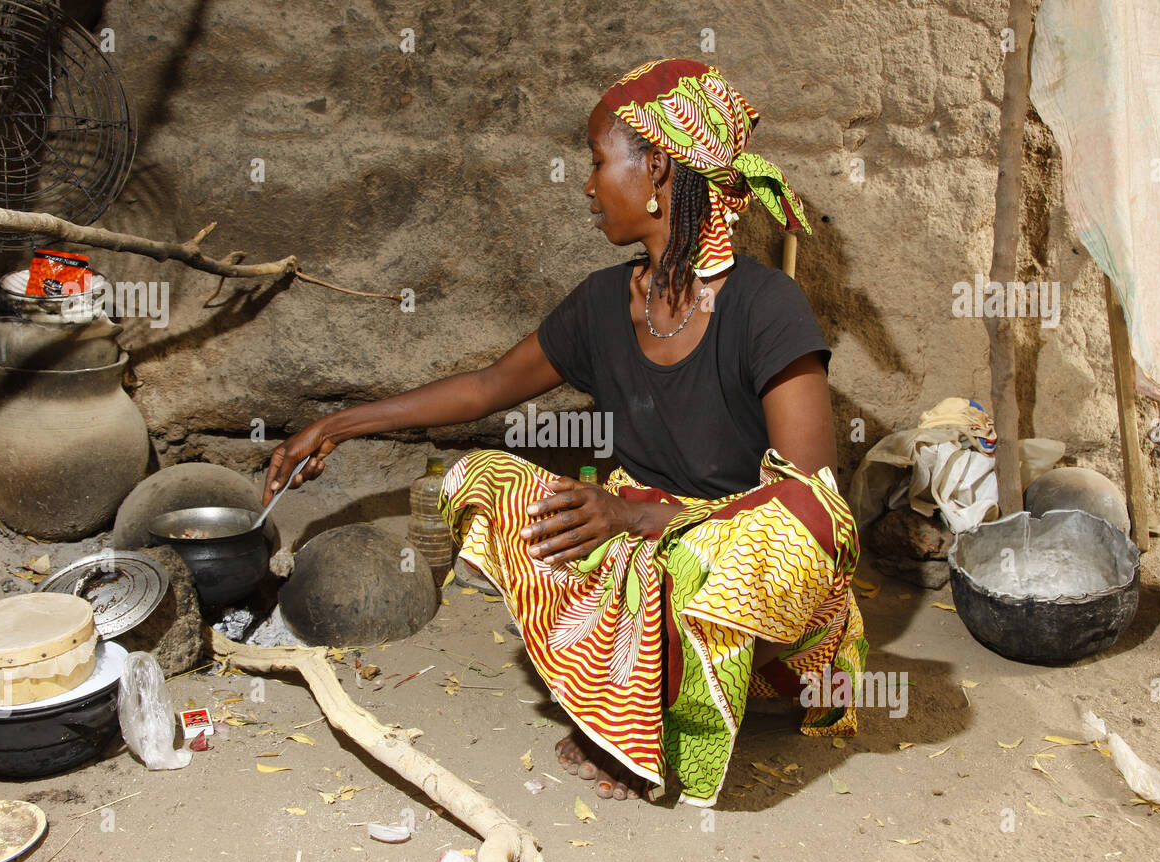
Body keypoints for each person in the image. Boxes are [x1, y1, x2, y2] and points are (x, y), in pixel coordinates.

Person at [264, 58, 867, 808]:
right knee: (487, 482)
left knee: (752, 541)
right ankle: (621, 693)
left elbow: (814, 498)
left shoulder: (766, 305)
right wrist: (338, 424)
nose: (587, 186)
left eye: (596, 162)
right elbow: (487, 387)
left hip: (731, 560)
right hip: (634, 542)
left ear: (653, 170)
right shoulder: (601, 304)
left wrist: (647, 516)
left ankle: (661, 719)